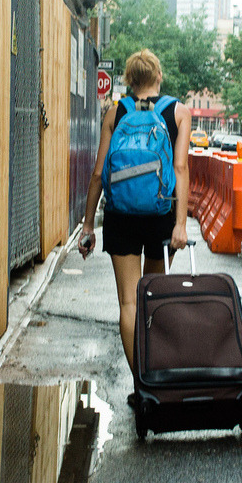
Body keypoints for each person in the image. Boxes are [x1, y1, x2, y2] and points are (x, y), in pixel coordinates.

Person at [78, 49, 192, 367]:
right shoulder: (179, 112)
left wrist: (88, 226)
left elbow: (100, 172)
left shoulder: (116, 113)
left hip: (120, 216)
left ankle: (139, 384)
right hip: (161, 217)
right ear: (158, 76)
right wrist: (180, 224)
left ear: (129, 80)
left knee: (129, 303)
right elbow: (180, 168)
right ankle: (154, 378)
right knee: (151, 298)